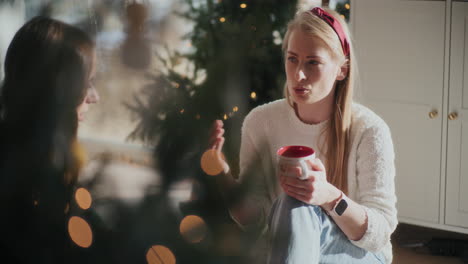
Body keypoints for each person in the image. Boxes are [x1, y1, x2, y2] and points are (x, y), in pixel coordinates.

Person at [208, 6, 397, 264]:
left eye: (313, 62)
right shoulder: (260, 122)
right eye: (292, 58)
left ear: (342, 69)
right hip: (291, 250)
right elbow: (256, 222)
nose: (298, 75)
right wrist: (219, 172)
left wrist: (329, 197)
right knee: (292, 206)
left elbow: (379, 234)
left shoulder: (370, 130)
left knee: (296, 204)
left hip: (359, 254)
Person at [0, 16, 99, 263]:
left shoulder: (46, 160)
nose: (95, 97)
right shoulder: (30, 185)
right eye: (87, 83)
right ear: (59, 91)